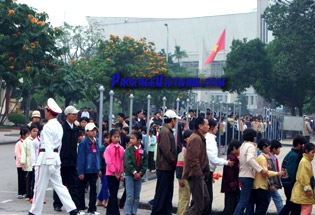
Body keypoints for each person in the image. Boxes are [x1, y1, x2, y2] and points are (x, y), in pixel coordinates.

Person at [29, 98, 78, 215]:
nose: (45, 112)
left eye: (46, 110)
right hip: (55, 158)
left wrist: (50, 162)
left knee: (39, 187)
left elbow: (48, 146)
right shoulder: (59, 126)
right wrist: (55, 161)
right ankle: (72, 208)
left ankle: (34, 211)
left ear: (49, 112)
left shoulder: (47, 127)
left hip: (46, 158)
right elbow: (59, 145)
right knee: (59, 186)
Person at [233, 128, 268, 215]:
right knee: (244, 201)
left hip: (243, 174)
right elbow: (250, 159)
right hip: (247, 175)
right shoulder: (251, 146)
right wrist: (260, 169)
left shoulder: (243, 145)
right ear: (253, 137)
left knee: (247, 200)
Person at [151, 110, 180, 215]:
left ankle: (165, 211)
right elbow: (166, 150)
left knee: (167, 192)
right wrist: (174, 161)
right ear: (172, 119)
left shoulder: (166, 131)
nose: (176, 122)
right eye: (175, 119)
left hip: (167, 167)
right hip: (164, 167)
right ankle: (158, 212)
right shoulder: (165, 132)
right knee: (162, 192)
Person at [204, 117, 235, 214]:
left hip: (208, 171)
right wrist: (226, 162)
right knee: (207, 198)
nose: (218, 129)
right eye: (217, 127)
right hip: (207, 170)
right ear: (212, 127)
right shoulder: (210, 140)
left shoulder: (209, 138)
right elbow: (212, 158)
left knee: (206, 197)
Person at [53, 105, 80, 212]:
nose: (75, 116)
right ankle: (57, 203)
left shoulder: (76, 128)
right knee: (60, 183)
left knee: (73, 183)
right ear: (68, 115)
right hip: (62, 160)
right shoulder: (62, 127)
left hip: (72, 160)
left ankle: (74, 205)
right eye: (73, 114)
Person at [182, 117, 210, 215]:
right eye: (206, 124)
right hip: (195, 174)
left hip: (199, 173)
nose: (208, 126)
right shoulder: (195, 138)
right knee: (199, 204)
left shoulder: (200, 138)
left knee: (205, 199)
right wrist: (198, 174)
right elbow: (193, 158)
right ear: (200, 126)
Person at [251, 139, 284, 214]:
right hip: (261, 185)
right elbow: (265, 172)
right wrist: (277, 173)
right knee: (263, 204)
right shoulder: (263, 158)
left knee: (263, 204)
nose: (269, 150)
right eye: (269, 148)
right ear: (264, 147)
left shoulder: (263, 157)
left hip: (262, 184)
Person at [77, 122, 101, 215]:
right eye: (92, 130)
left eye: (95, 130)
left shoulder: (96, 141)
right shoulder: (83, 143)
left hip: (94, 170)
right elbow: (81, 157)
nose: (94, 132)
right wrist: (81, 172)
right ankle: (81, 208)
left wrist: (98, 169)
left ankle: (92, 209)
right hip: (85, 169)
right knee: (81, 189)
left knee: (93, 190)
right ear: (87, 132)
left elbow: (97, 155)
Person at [279, 135, 306, 215]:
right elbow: (292, 172)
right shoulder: (294, 156)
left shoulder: (292, 154)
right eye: (303, 145)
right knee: (292, 204)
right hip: (290, 184)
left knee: (292, 205)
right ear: (298, 145)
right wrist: (297, 183)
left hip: (288, 183)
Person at [123, 131, 148, 215]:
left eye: (133, 138)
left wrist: (140, 173)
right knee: (130, 195)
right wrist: (134, 172)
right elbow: (127, 162)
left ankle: (134, 211)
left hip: (139, 176)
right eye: (131, 138)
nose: (131, 140)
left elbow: (145, 164)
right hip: (130, 175)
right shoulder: (129, 150)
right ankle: (127, 212)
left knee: (137, 195)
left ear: (139, 140)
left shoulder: (143, 151)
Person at [104, 129, 125, 215]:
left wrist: (120, 172)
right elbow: (108, 161)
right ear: (111, 137)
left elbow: (122, 161)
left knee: (114, 193)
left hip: (118, 174)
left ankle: (109, 212)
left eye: (118, 137)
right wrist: (114, 172)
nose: (116, 138)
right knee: (113, 193)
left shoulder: (121, 148)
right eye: (114, 137)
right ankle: (116, 212)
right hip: (110, 174)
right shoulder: (108, 148)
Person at [291, 142, 315, 214]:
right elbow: (304, 177)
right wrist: (308, 189)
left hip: (304, 189)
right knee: (306, 210)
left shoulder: (306, 160)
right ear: (307, 151)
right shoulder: (305, 161)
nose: (313, 155)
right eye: (312, 152)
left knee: (306, 209)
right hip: (304, 190)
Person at [221, 140, 241, 215]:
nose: (240, 151)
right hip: (231, 186)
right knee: (230, 206)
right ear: (234, 148)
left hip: (231, 186)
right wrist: (234, 186)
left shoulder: (232, 157)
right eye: (239, 148)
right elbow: (230, 175)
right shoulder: (232, 159)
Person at [176, 129, 193, 215]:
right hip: (184, 177)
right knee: (184, 199)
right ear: (185, 139)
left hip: (188, 177)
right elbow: (179, 165)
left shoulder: (189, 149)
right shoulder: (184, 150)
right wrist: (180, 178)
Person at [21, 123, 39, 201]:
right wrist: (23, 162)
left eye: (36, 131)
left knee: (36, 179)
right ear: (30, 132)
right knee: (29, 179)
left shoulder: (39, 141)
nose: (35, 132)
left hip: (37, 162)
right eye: (33, 131)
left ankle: (35, 194)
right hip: (29, 162)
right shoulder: (26, 141)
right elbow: (23, 152)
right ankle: (28, 194)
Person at [268, 140, 284, 214]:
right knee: (278, 199)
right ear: (274, 149)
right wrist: (271, 184)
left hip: (273, 183)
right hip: (271, 184)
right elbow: (269, 171)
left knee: (267, 200)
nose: (279, 151)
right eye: (279, 149)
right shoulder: (269, 158)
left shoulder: (274, 158)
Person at [15, 126, 29, 199]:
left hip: (27, 164)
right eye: (27, 134)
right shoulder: (19, 143)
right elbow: (18, 154)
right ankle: (20, 192)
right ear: (23, 135)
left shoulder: (28, 142)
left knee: (26, 179)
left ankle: (25, 192)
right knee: (21, 178)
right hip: (20, 165)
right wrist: (22, 162)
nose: (28, 136)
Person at [97, 133, 110, 208]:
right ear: (104, 139)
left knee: (105, 185)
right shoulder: (102, 148)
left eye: (109, 138)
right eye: (107, 138)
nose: (108, 139)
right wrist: (99, 169)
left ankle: (99, 200)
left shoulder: (110, 147)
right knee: (105, 185)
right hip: (103, 169)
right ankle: (106, 200)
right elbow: (99, 159)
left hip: (109, 169)